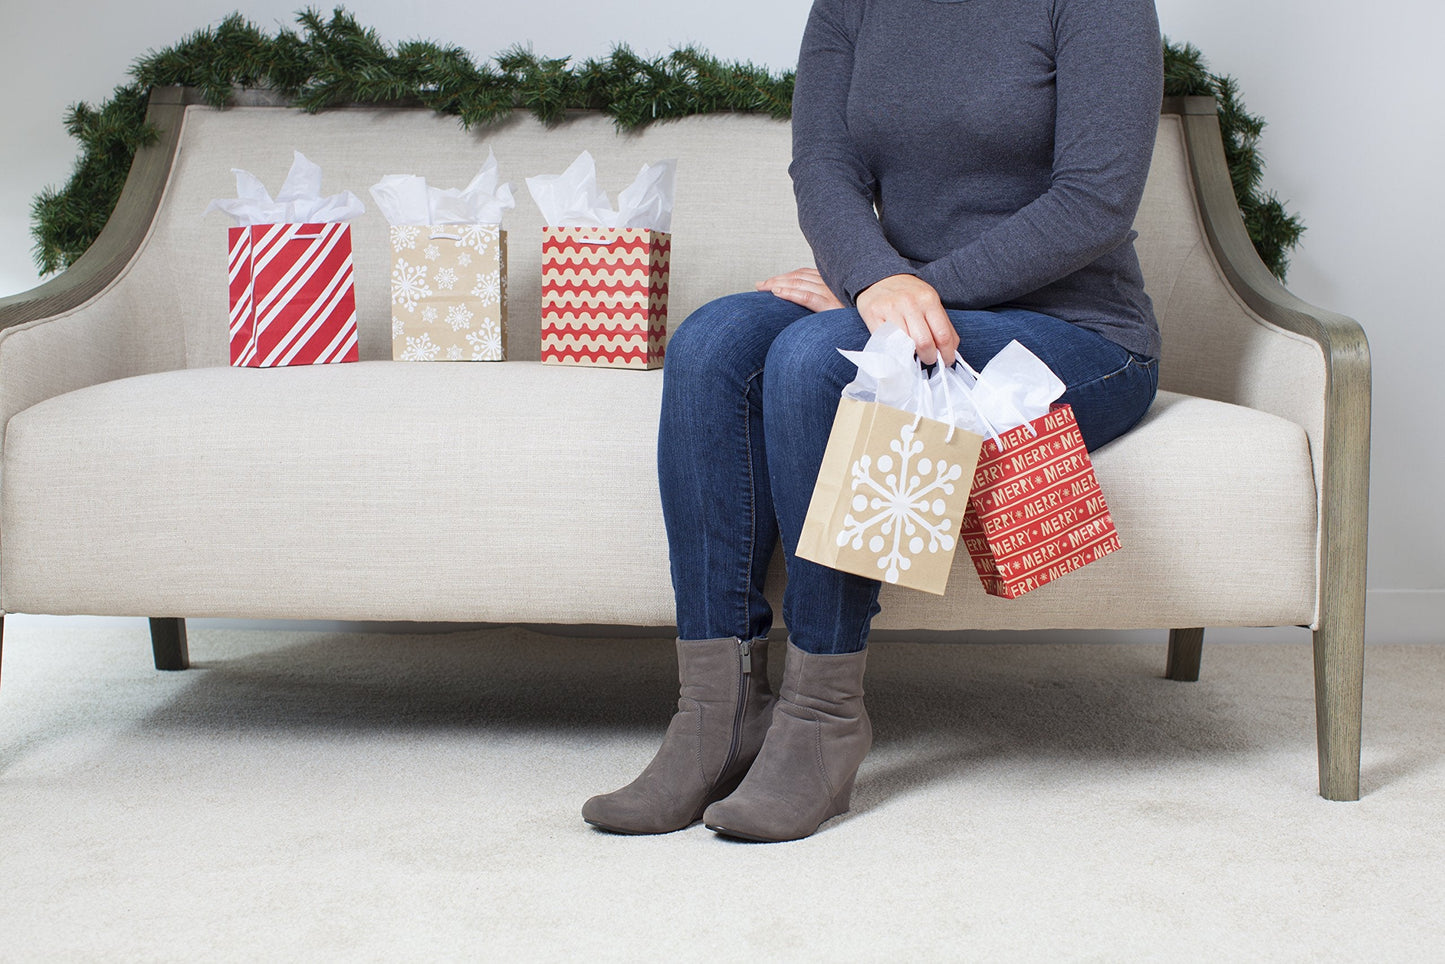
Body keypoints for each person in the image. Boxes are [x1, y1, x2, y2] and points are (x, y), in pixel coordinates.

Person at [583, 0, 1165, 842]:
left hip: (1078, 333)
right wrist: (873, 282)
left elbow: (1095, 201)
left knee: (821, 357)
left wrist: (901, 291)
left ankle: (823, 721)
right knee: (711, 344)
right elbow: (823, 167)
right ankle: (718, 713)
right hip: (905, 299)